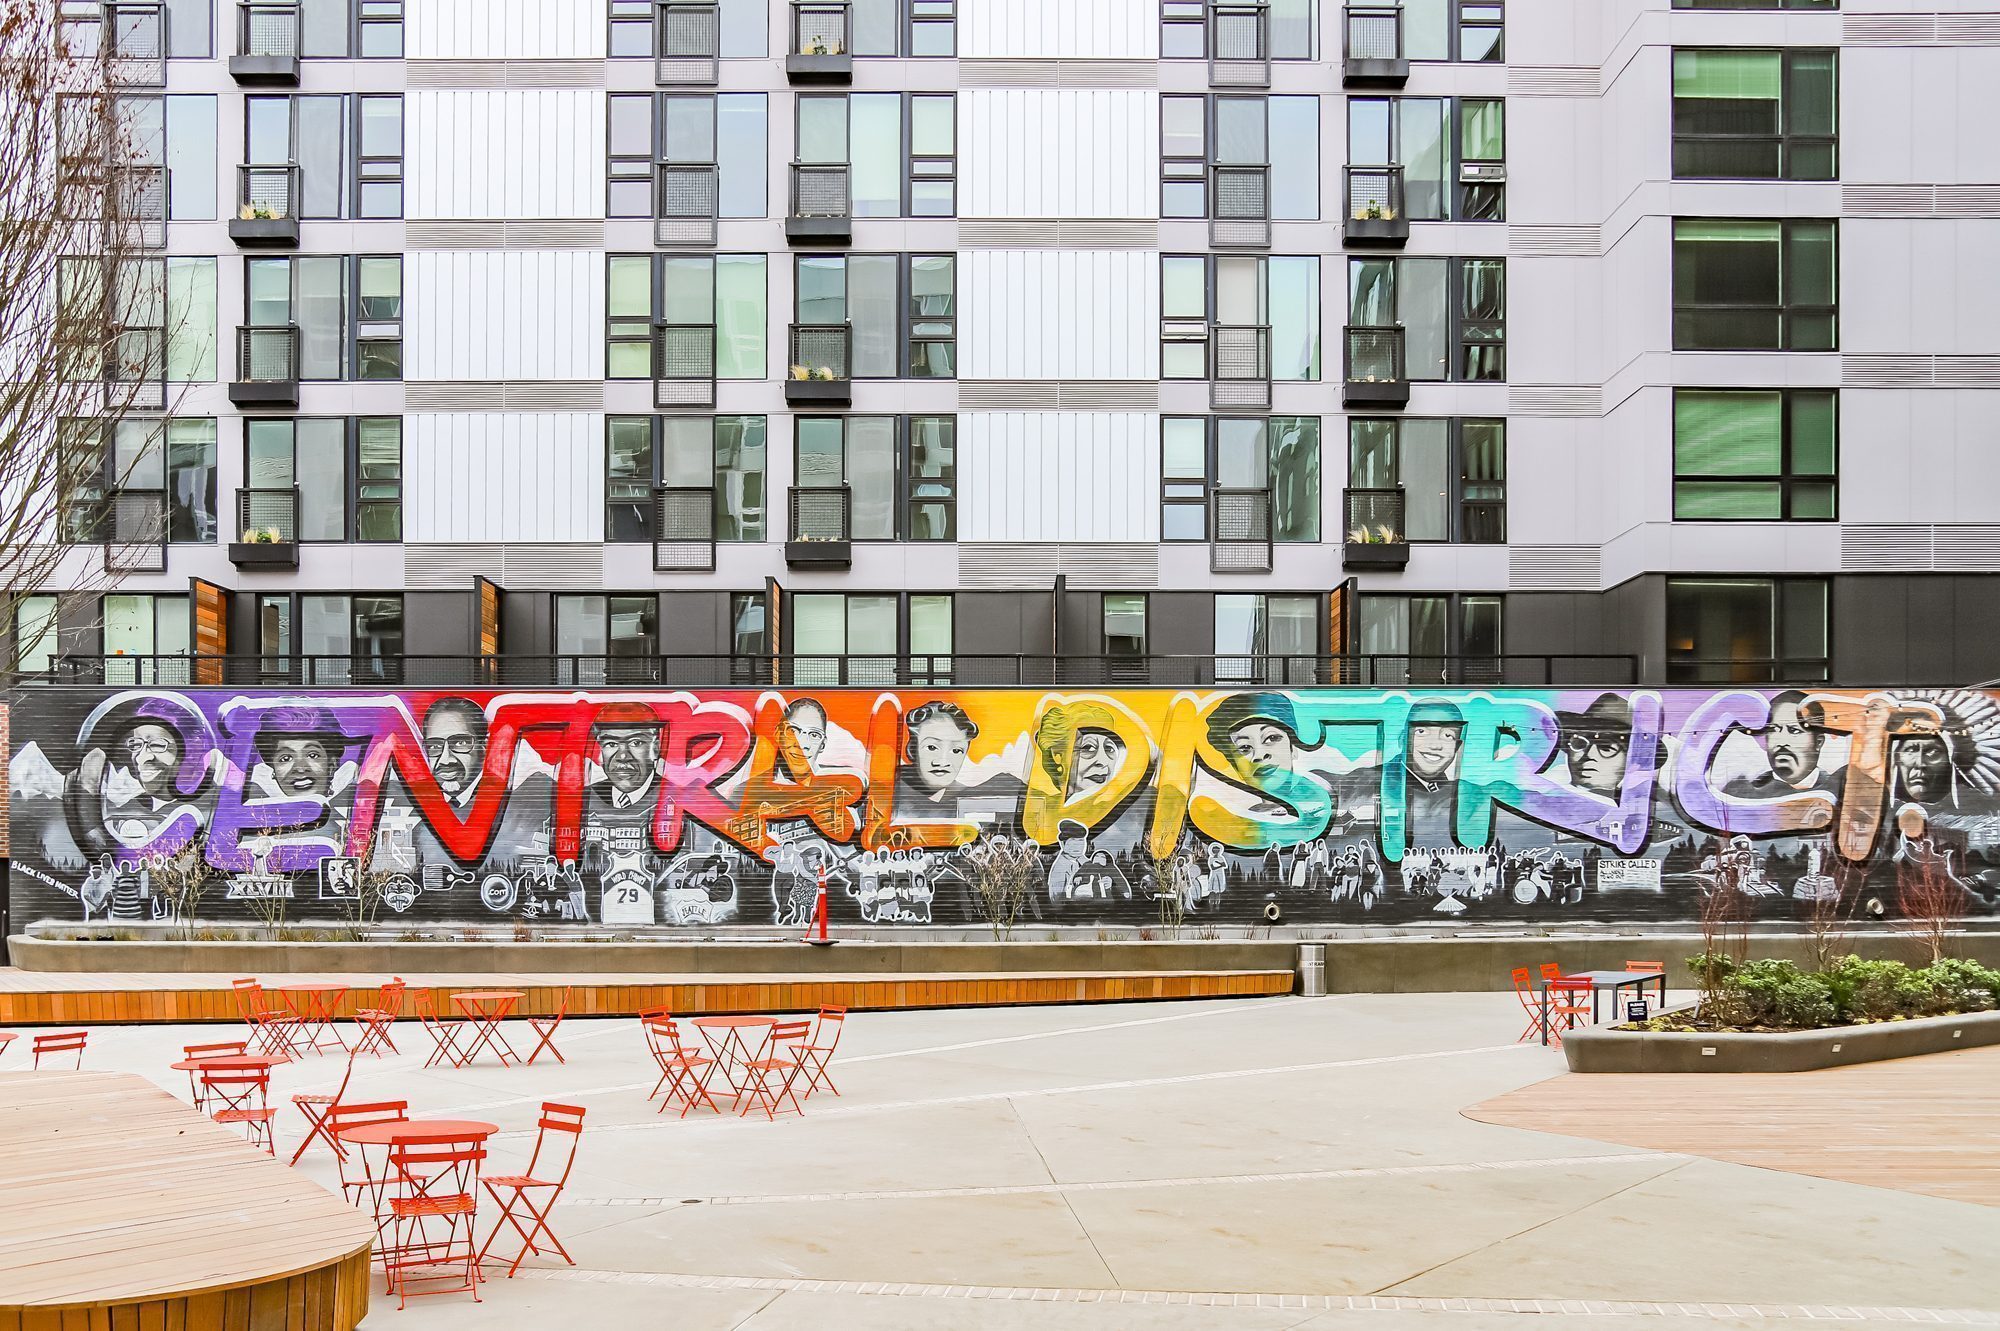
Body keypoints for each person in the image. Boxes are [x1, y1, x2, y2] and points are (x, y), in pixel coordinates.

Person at [1724, 691, 1843, 799]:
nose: (1782, 741)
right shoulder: (1742, 795)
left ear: (1818, 742)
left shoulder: (1838, 791)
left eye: (1794, 731)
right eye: (1774, 730)